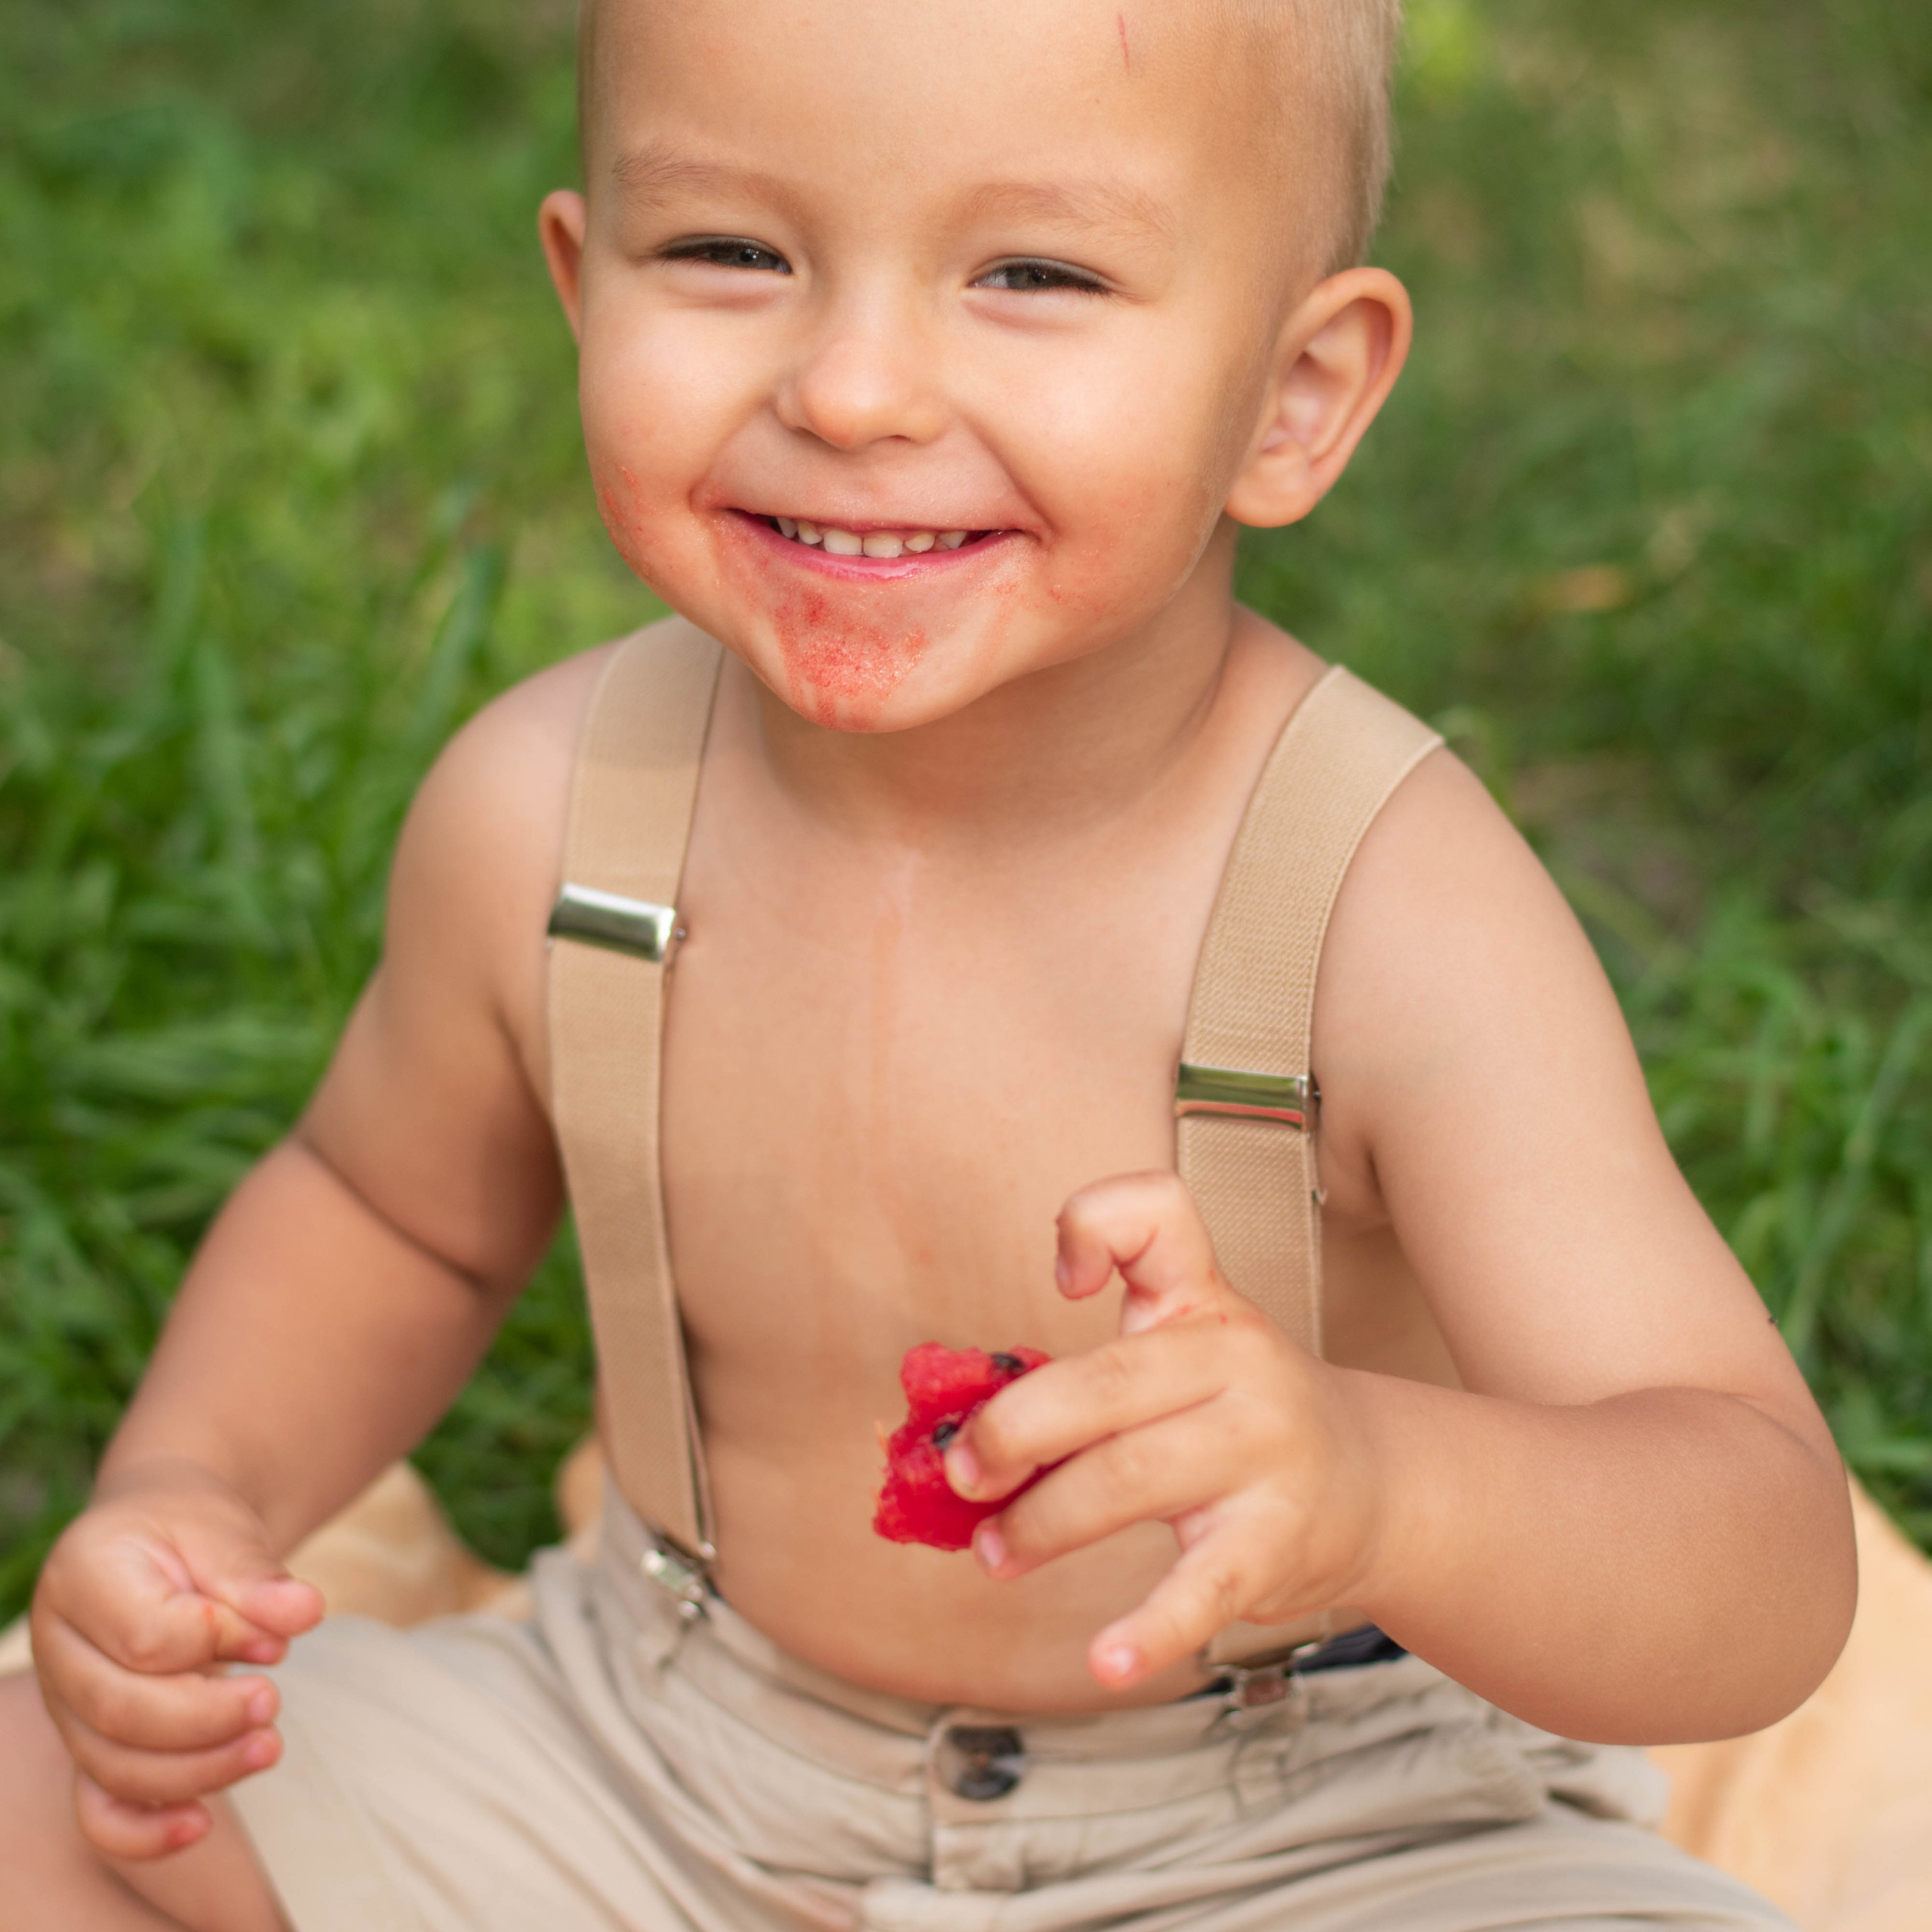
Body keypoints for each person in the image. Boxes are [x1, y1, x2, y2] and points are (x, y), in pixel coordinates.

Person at [0, 2, 1857, 1927]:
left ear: (1292, 394)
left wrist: (1377, 1481)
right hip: (653, 1752)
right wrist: (190, 1495)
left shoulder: (1382, 913)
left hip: (1306, 1825)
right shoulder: (553, 815)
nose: (856, 386)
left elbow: (1755, 1544)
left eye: (1031, 272)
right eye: (729, 251)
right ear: (581, 282)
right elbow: (387, 1212)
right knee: (43, 1797)